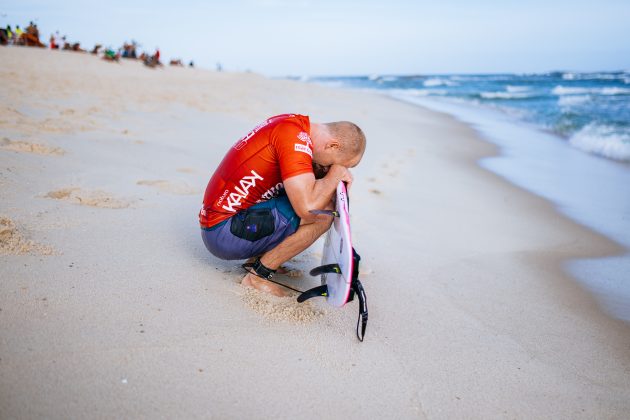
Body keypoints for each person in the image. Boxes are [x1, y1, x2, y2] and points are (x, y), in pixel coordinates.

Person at [199, 114, 366, 296]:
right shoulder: (294, 141)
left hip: (228, 221)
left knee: (314, 191)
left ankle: (256, 260)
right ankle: (258, 277)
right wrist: (334, 175)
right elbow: (308, 209)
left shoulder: (296, 127)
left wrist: (330, 179)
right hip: (224, 232)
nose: (331, 169)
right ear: (332, 146)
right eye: (337, 164)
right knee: (323, 213)